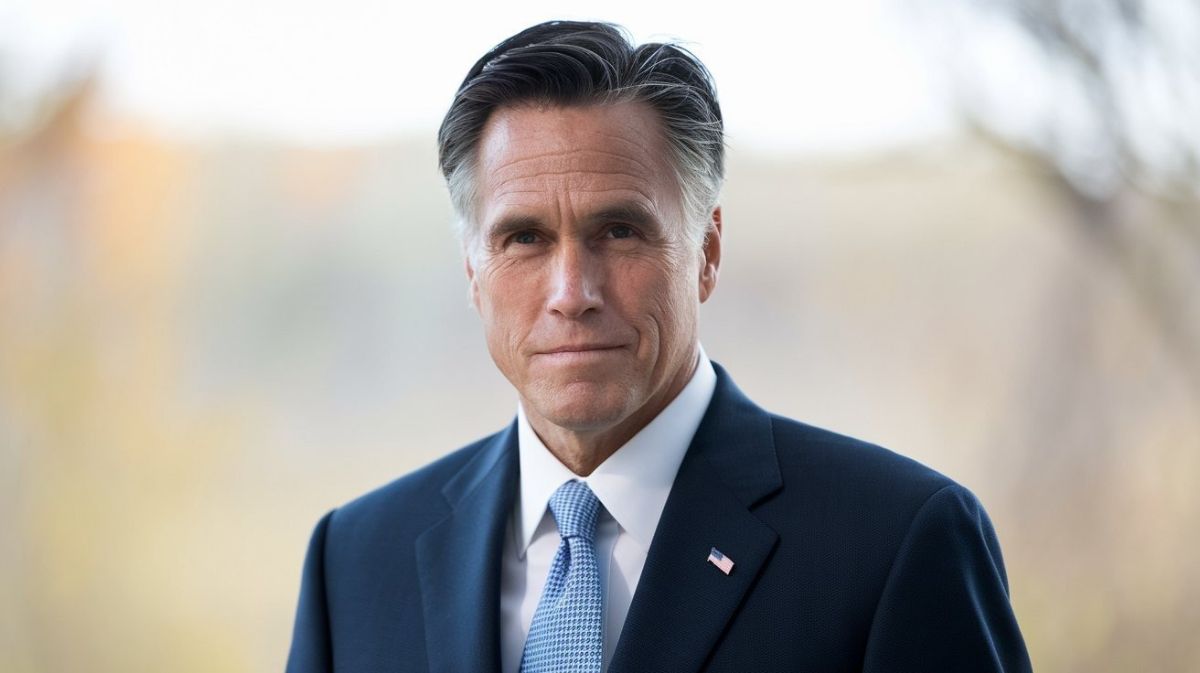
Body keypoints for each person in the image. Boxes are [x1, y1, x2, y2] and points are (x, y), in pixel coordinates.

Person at [285, 20, 1033, 673]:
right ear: (473, 272)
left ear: (706, 250)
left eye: (619, 230)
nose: (572, 290)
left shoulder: (895, 543)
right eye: (524, 238)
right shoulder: (353, 561)